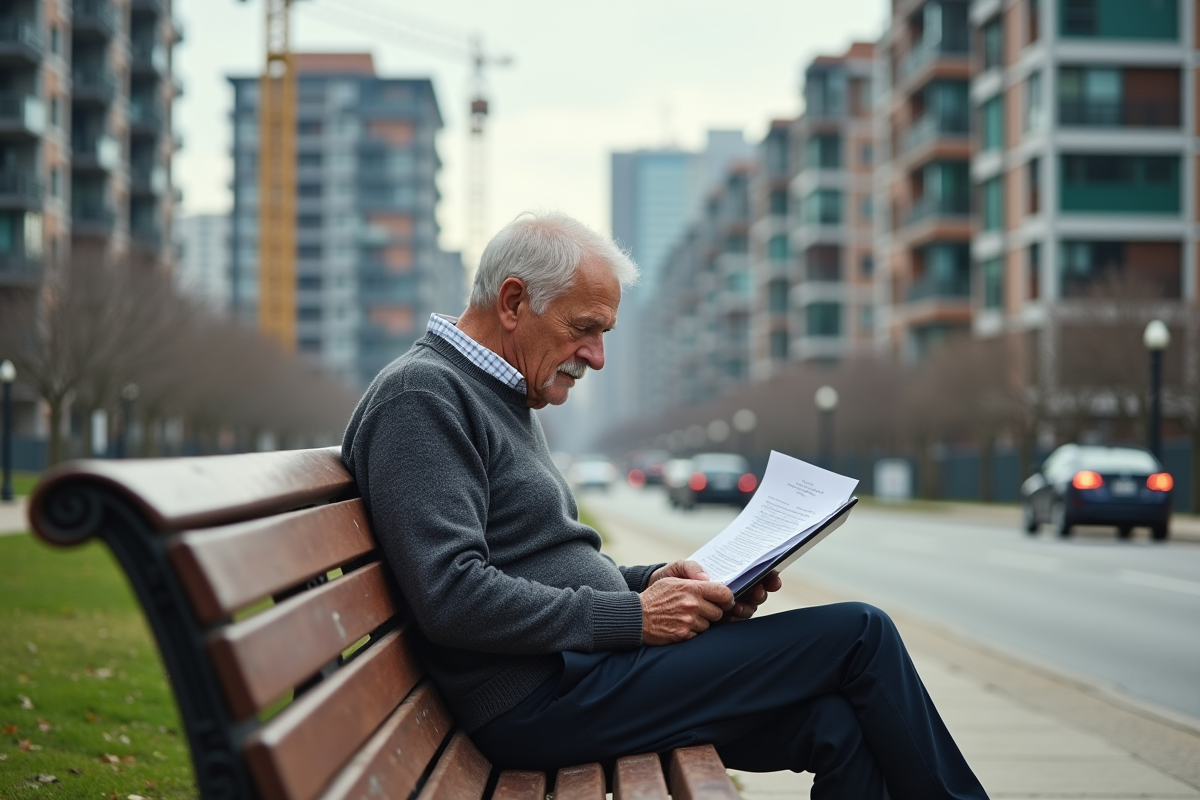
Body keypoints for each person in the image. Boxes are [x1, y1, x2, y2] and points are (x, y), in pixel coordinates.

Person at [341, 212, 989, 800]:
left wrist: (659, 586)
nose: (595, 356)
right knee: (860, 634)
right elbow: (451, 595)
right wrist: (634, 618)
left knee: (836, 724)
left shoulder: (501, 392)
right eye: (584, 329)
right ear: (513, 302)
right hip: (542, 698)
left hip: (581, 673)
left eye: (603, 334)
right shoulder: (423, 396)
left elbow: (536, 563)